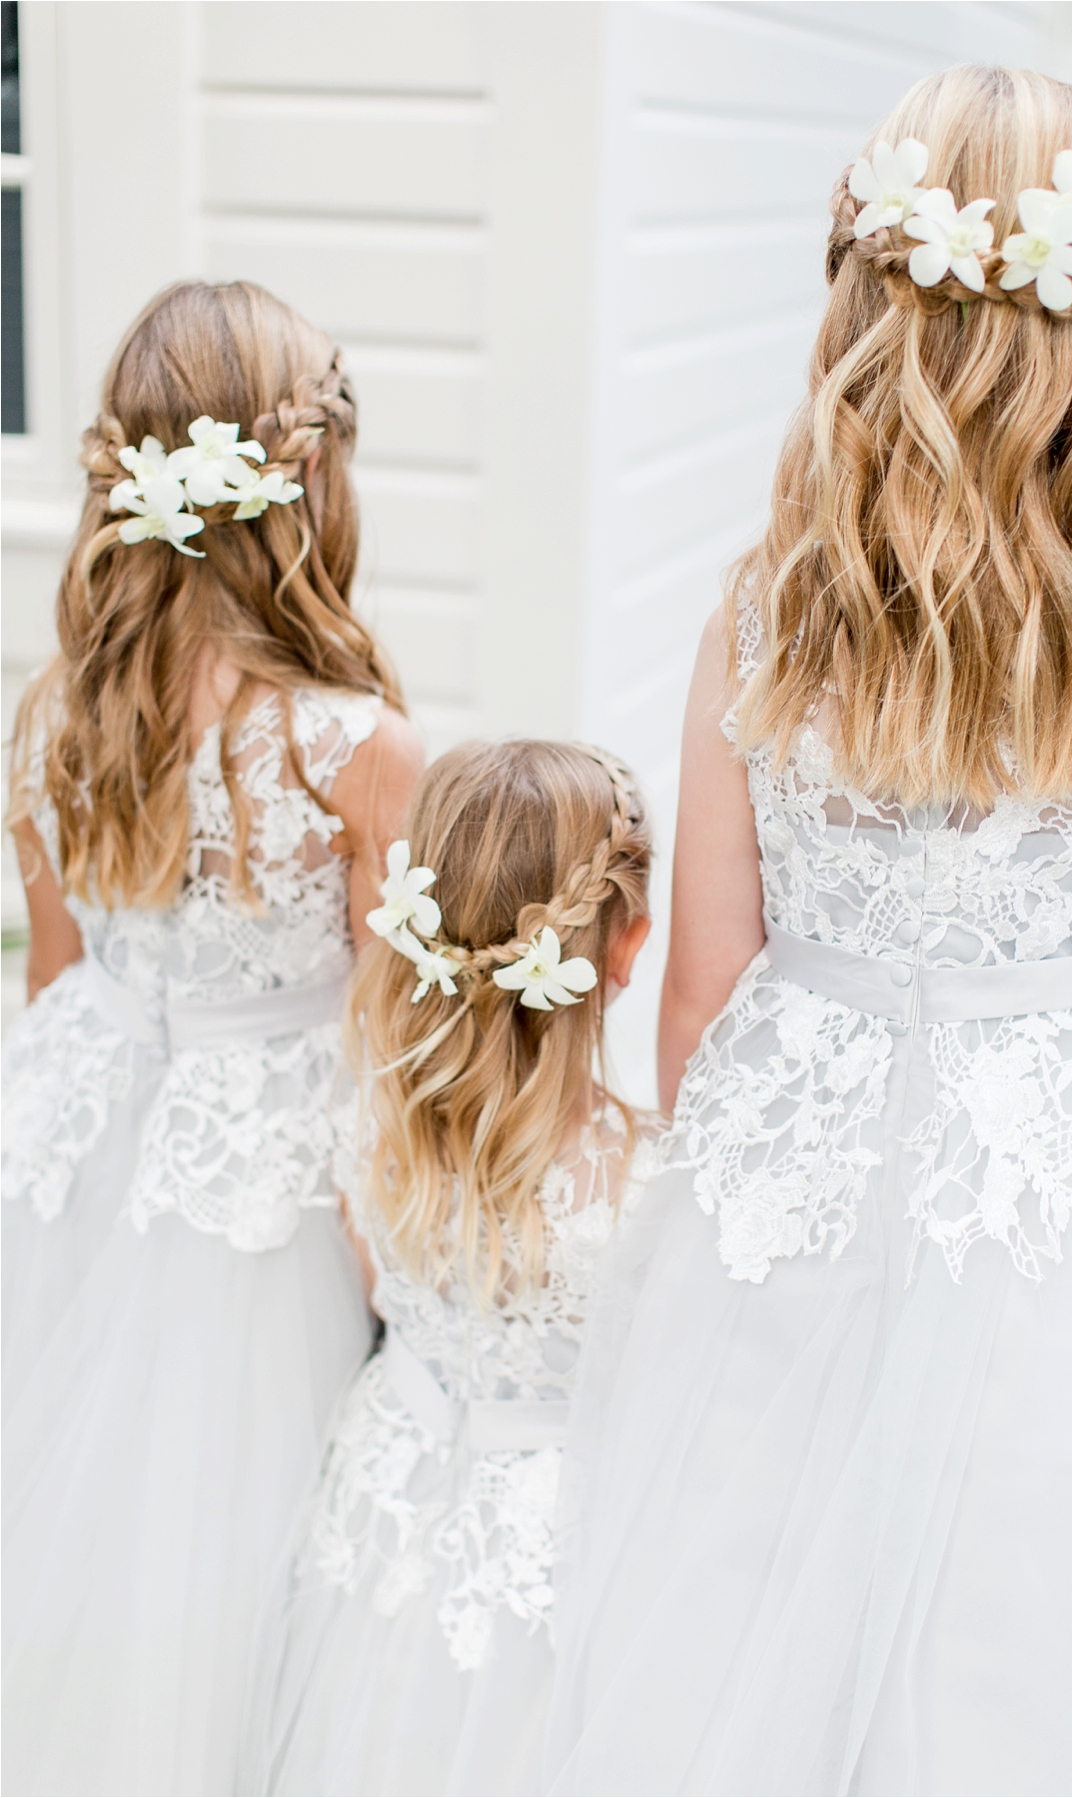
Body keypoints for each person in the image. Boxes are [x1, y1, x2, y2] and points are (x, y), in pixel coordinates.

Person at [544, 65, 1072, 1798]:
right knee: (1047, 1649)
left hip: (800, 1180)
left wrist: (741, 1217)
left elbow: (698, 1000)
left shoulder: (763, 619)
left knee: (755, 1625)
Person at [2, 279, 424, 1795]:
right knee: (231, 1552)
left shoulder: (55, 717)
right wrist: (413, 1298)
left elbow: (56, 983)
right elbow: (391, 1057)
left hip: (75, 1144)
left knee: (80, 1520)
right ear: (308, 479)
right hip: (262, 1202)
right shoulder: (353, 746)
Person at [242, 738, 653, 1797]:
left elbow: (377, 1286)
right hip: (546, 1558)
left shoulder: (374, 1115)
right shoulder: (651, 1187)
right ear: (628, 944)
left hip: (389, 1505)